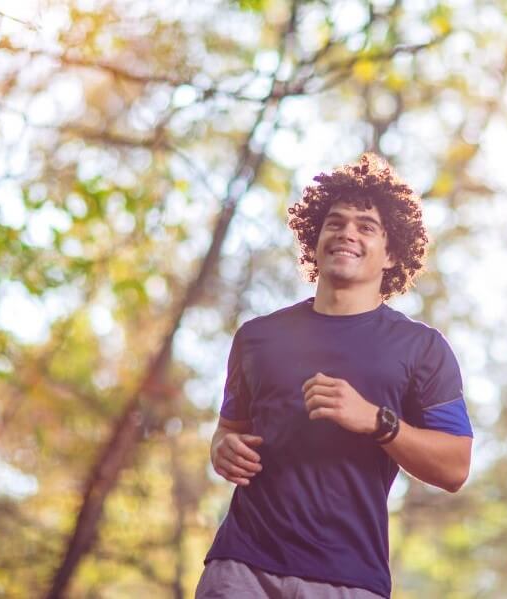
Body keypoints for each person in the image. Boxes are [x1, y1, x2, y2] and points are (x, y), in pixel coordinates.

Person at [195, 153, 474, 599]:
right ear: (315, 236)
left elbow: (455, 467)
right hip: (241, 566)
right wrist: (221, 449)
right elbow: (228, 431)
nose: (347, 232)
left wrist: (378, 421)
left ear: (392, 254)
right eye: (336, 222)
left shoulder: (422, 349)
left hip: (347, 578)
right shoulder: (257, 337)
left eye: (367, 226)